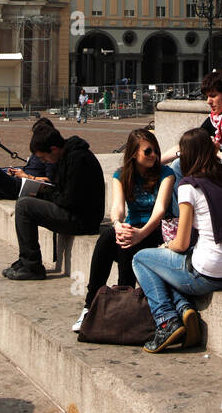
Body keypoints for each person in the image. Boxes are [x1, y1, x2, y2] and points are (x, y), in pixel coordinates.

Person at [133, 128, 222, 353]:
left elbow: (181, 243)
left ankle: (166, 320)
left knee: (142, 259)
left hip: (207, 274)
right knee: (165, 267)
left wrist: (165, 246)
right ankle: (184, 309)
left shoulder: (188, 186)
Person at [71, 129, 174, 332]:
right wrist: (117, 224)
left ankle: (123, 300)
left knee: (126, 240)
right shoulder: (121, 175)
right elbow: (118, 208)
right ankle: (90, 306)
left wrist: (141, 234)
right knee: (112, 235)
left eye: (155, 150)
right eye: (148, 151)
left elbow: (160, 210)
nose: (153, 155)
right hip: (131, 229)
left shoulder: (166, 174)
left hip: (154, 231)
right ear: (134, 154)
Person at [2, 126, 104, 281]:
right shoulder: (66, 157)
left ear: (54, 149)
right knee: (25, 203)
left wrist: (45, 193)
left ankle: (32, 265)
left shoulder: (78, 159)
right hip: (75, 212)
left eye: (44, 158)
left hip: (82, 219)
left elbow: (70, 199)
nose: (44, 162)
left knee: (24, 206)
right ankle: (26, 261)